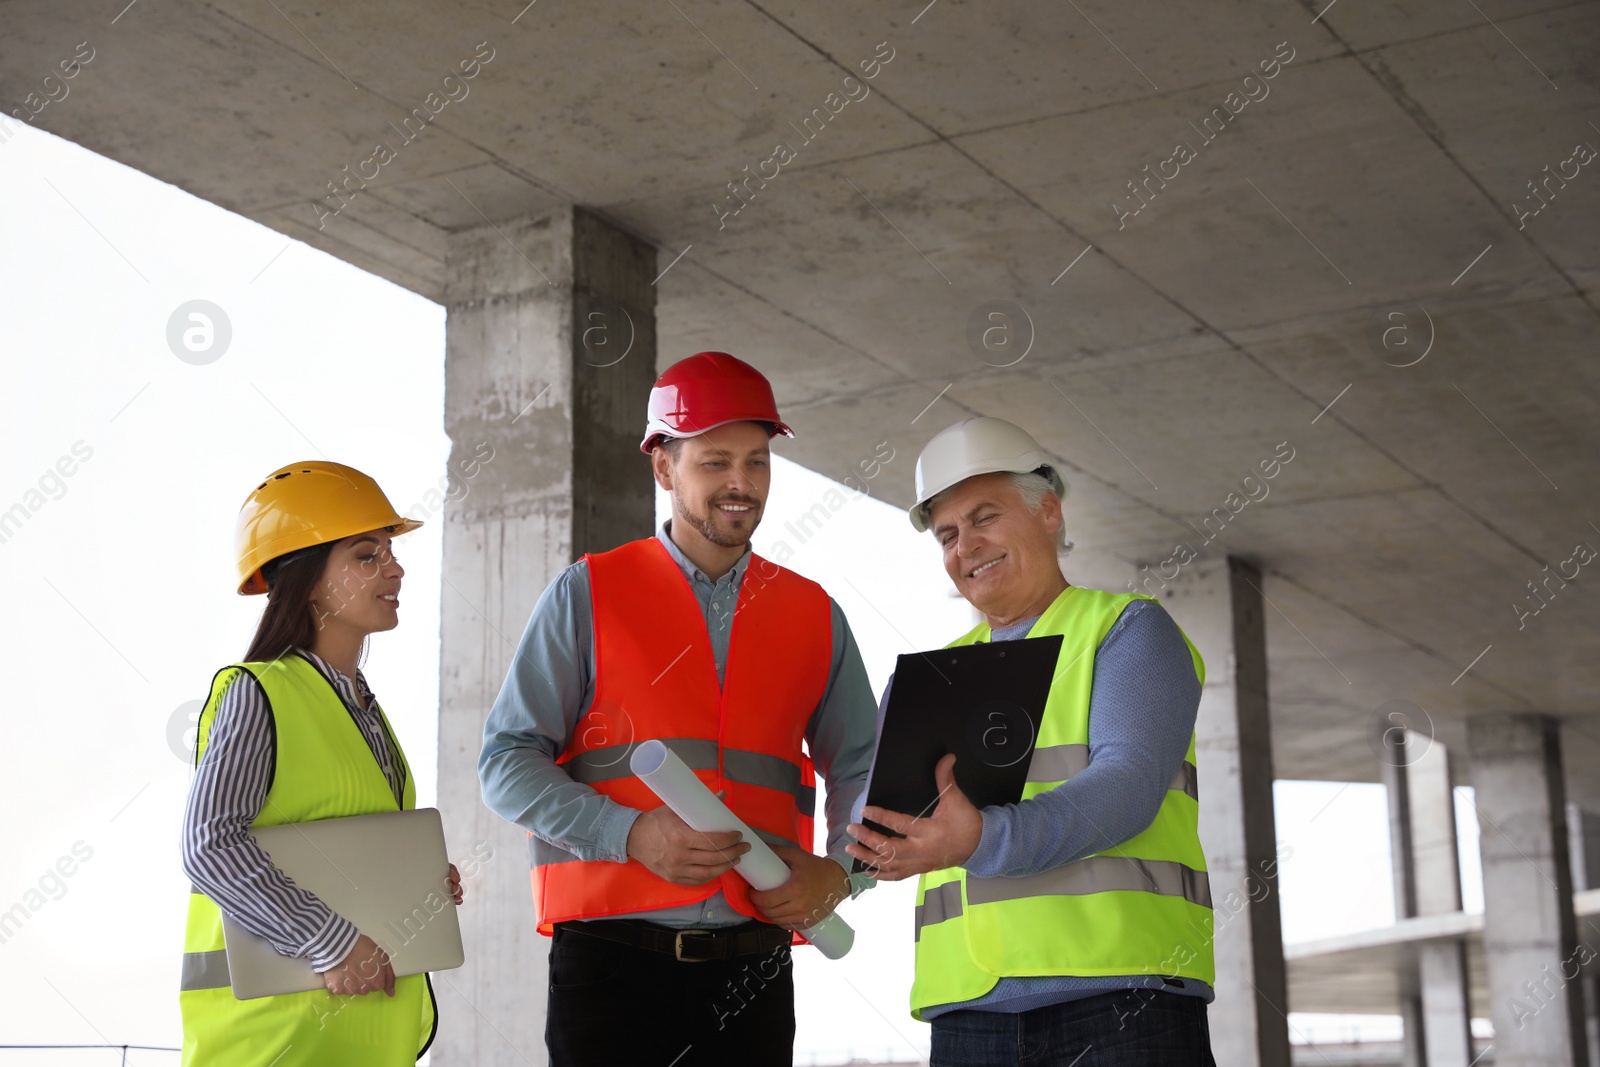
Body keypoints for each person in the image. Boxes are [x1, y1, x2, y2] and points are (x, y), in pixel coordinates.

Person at [479, 351, 878, 1066]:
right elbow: (505, 762)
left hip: (752, 971)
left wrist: (843, 872)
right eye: (715, 461)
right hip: (611, 969)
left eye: (757, 462)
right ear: (663, 467)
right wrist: (628, 832)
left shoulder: (814, 613)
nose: (740, 484)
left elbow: (867, 766)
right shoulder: (587, 593)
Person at [845, 417, 1217, 1067]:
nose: (967, 546)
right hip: (968, 1009)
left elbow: (1129, 783)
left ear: (1048, 510)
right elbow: (877, 807)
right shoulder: (929, 676)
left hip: (1125, 998)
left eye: (985, 517)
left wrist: (983, 840)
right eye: (948, 534)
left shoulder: (1125, 631)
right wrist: (876, 839)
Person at [179, 460, 463, 1066]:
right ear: (307, 581)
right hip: (274, 1043)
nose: (396, 568)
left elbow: (340, 841)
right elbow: (209, 844)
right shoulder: (259, 693)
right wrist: (328, 941)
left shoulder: (362, 707)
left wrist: (416, 881)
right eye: (367, 555)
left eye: (390, 551)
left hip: (358, 1042)